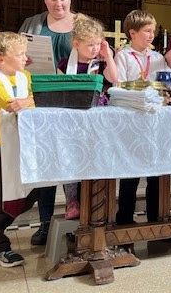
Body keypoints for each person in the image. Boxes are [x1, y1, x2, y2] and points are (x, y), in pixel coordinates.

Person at [114, 10, 171, 228]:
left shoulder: (157, 58)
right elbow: (118, 86)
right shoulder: (124, 57)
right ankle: (124, 222)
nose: (151, 35)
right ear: (132, 33)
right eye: (147, 31)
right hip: (132, 121)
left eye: (153, 31)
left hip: (156, 123)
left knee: (156, 174)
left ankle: (155, 221)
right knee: (131, 174)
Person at [19, 0, 74, 246]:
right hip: (39, 97)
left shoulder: (81, 24)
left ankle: (76, 221)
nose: (58, 3)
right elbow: (15, 54)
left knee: (72, 161)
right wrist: (22, 58)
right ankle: (44, 223)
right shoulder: (33, 23)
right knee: (47, 162)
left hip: (73, 100)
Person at [0, 32, 37, 267]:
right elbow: (11, 105)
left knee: (32, 193)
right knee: (0, 198)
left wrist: (29, 101)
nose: (26, 58)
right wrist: (29, 101)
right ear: (1, 59)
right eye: (20, 54)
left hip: (25, 144)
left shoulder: (26, 76)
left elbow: (36, 99)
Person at [56, 14, 118, 219]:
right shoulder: (65, 64)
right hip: (72, 118)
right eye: (90, 45)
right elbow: (59, 89)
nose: (94, 49)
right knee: (72, 160)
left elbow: (114, 79)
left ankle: (100, 202)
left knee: (97, 160)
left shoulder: (99, 63)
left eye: (97, 44)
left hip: (97, 119)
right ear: (76, 44)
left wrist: (107, 56)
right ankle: (72, 201)